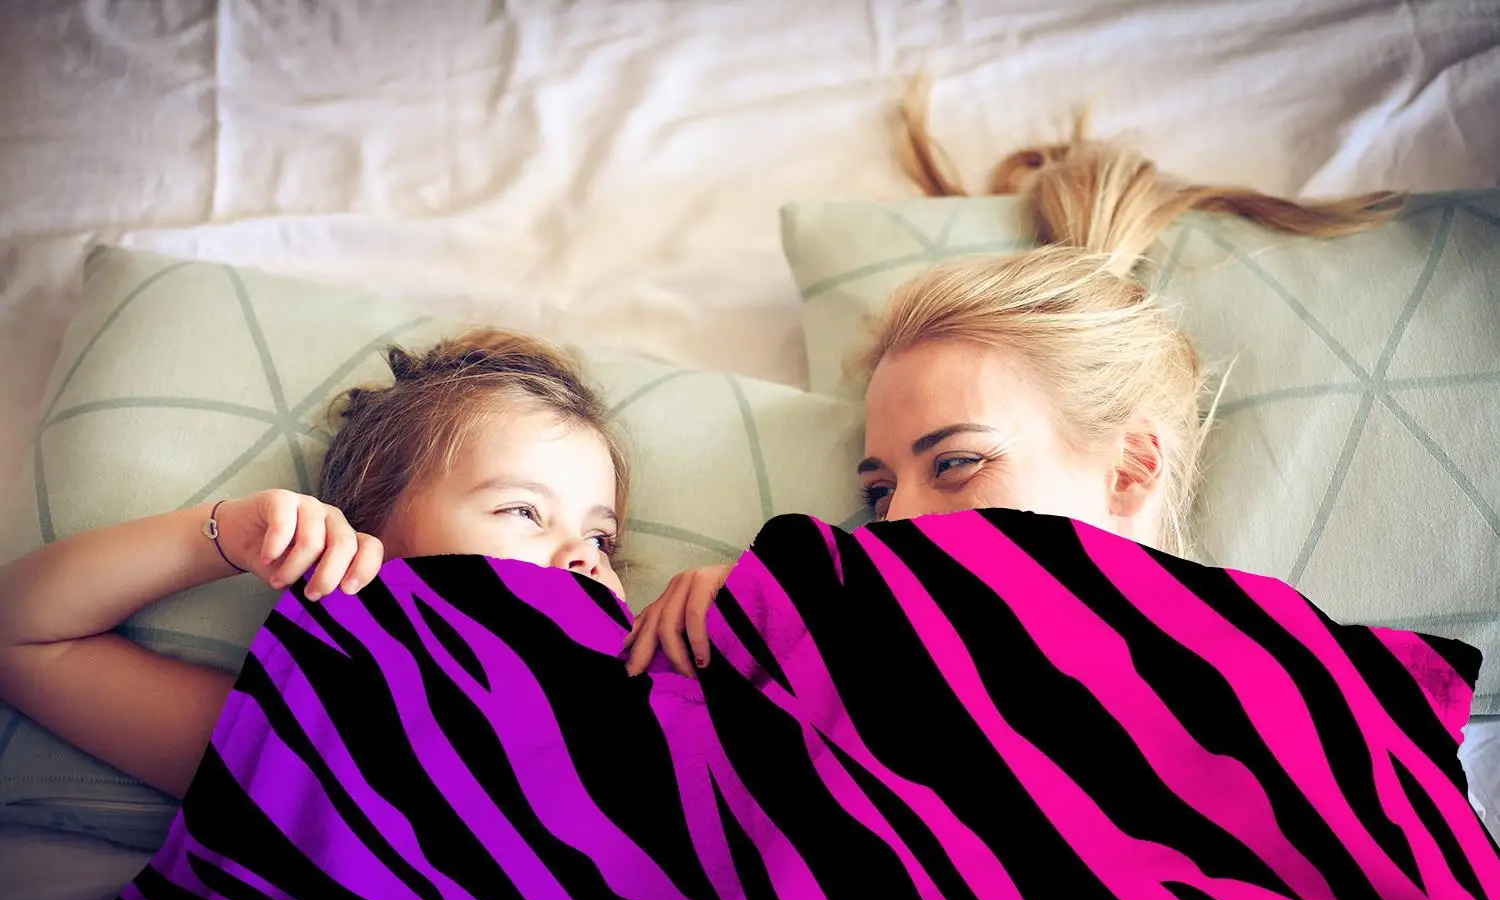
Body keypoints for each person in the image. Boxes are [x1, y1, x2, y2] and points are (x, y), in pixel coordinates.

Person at [622, 89, 1400, 677]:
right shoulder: (832, 666)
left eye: (956, 463)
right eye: (879, 493)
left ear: (1131, 468)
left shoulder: (1309, 693)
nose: (894, 524)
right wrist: (764, 635)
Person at [0, 329, 630, 798]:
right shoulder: (301, 732)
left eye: (601, 538)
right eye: (522, 510)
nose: (583, 554)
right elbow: (19, 635)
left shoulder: (655, 722)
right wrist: (223, 537)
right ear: (370, 537)